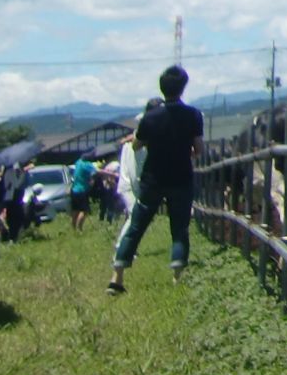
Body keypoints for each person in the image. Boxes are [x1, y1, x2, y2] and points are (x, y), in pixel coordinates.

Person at [107, 65, 203, 294]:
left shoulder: (150, 117)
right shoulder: (193, 115)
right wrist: (183, 151)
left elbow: (136, 144)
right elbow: (198, 149)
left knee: (137, 225)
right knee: (179, 227)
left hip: (153, 178)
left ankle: (117, 277)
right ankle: (177, 277)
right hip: (181, 177)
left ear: (162, 88)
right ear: (183, 88)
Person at [69, 153, 97, 232]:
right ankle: (79, 228)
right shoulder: (88, 165)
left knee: (75, 210)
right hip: (82, 190)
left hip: (74, 190)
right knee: (84, 211)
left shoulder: (78, 162)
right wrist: (92, 183)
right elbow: (94, 173)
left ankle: (73, 229)